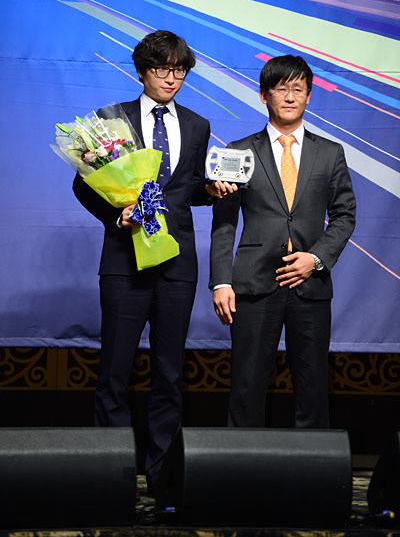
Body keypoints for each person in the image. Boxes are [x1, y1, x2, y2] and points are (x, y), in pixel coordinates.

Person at [73, 30, 236, 492]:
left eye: (179, 70)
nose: (171, 78)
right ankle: (111, 478)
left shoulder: (198, 124)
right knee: (114, 371)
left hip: (176, 264)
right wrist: (117, 214)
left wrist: (212, 190)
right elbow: (84, 184)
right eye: (163, 69)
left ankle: (164, 481)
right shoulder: (112, 119)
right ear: (142, 70)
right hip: (124, 262)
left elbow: (190, 190)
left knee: (169, 374)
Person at [210, 54, 356, 429]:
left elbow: (345, 215)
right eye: (280, 88)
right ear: (264, 95)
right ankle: (242, 462)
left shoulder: (330, 153)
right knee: (246, 387)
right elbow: (224, 222)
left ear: (308, 95)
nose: (290, 97)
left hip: (311, 283)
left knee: (312, 389)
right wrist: (221, 281)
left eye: (298, 89)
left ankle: (313, 466)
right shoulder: (238, 151)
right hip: (253, 284)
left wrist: (316, 258)